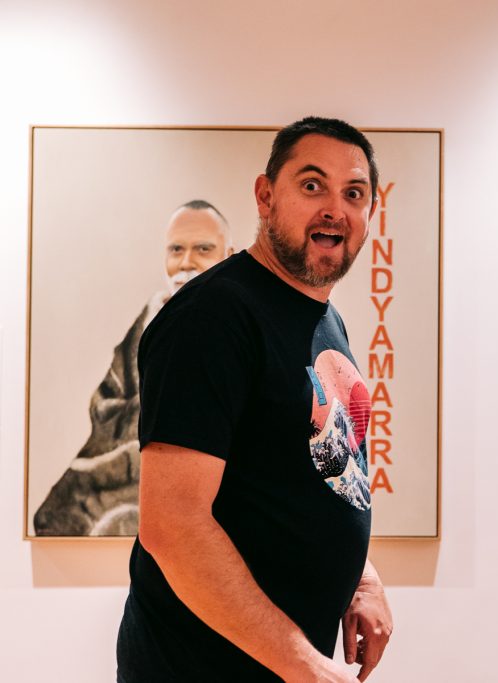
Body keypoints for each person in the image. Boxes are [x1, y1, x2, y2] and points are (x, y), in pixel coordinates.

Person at [116, 117, 393, 682]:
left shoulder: (323, 318)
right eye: (311, 185)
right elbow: (173, 526)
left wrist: (361, 577)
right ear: (266, 196)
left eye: (354, 193)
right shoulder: (212, 319)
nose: (334, 209)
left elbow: (317, 473)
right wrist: (305, 666)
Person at [33, 200, 233, 536]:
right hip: (141, 472)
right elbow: (105, 408)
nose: (186, 262)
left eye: (202, 248)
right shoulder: (149, 325)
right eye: (176, 250)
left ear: (227, 256)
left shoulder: (240, 326)